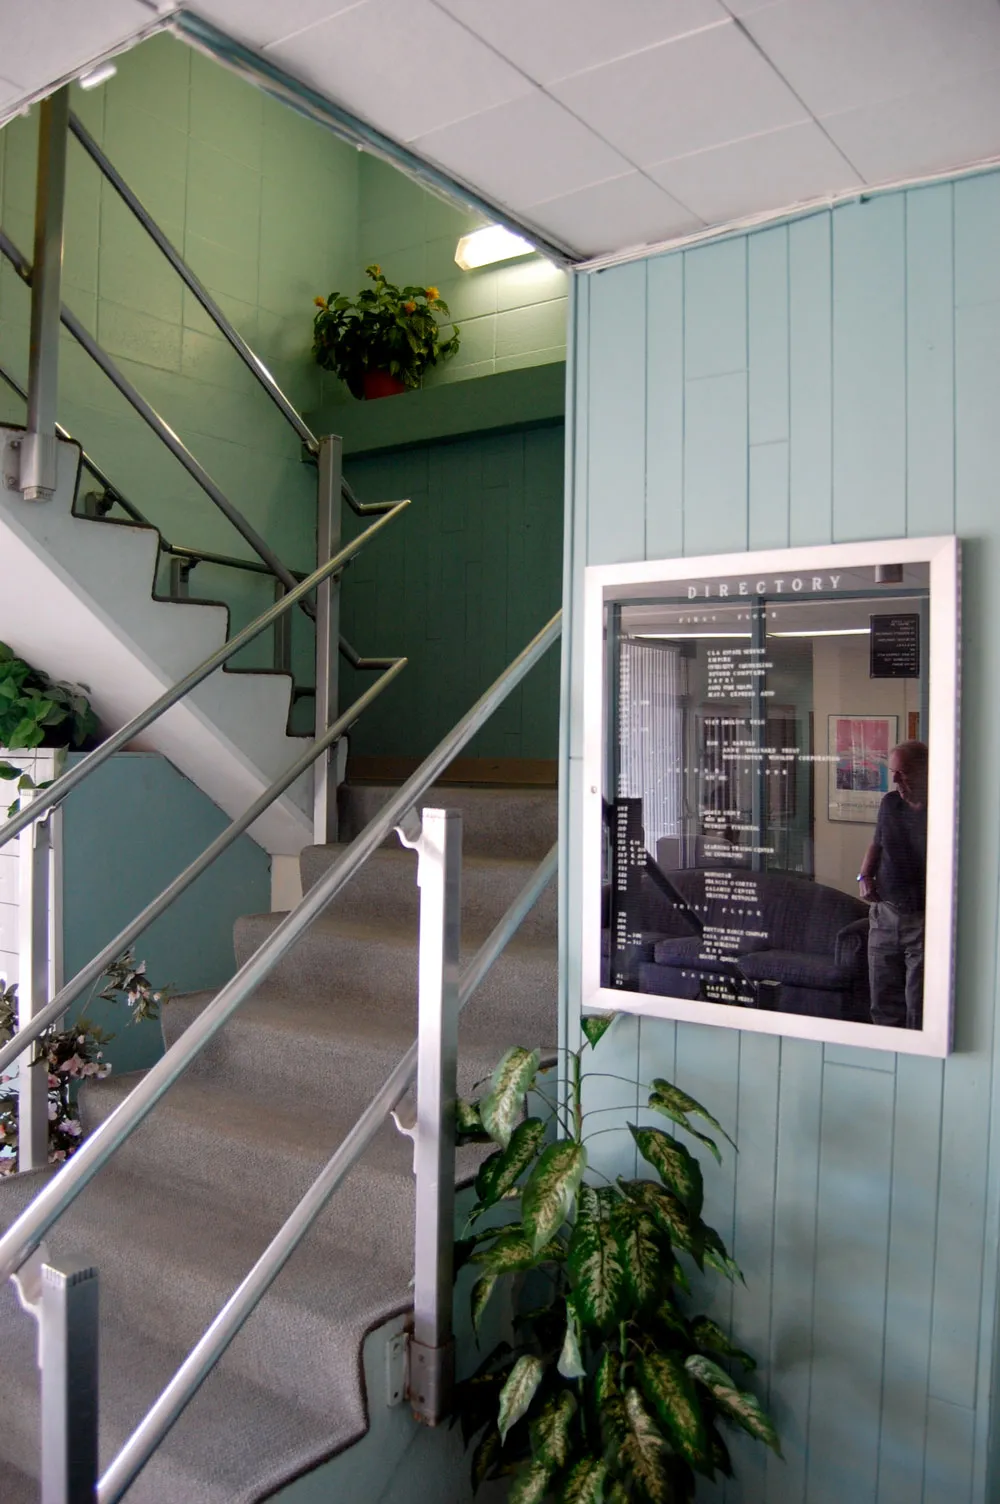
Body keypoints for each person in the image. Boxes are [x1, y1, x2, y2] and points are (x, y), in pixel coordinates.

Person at [857, 741, 928, 1029]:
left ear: (925, 771)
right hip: (884, 914)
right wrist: (864, 876)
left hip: (923, 919)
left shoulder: (943, 810)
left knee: (918, 1006)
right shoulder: (889, 803)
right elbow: (877, 842)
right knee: (883, 1002)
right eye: (893, 771)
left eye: (903, 772)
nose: (895, 779)